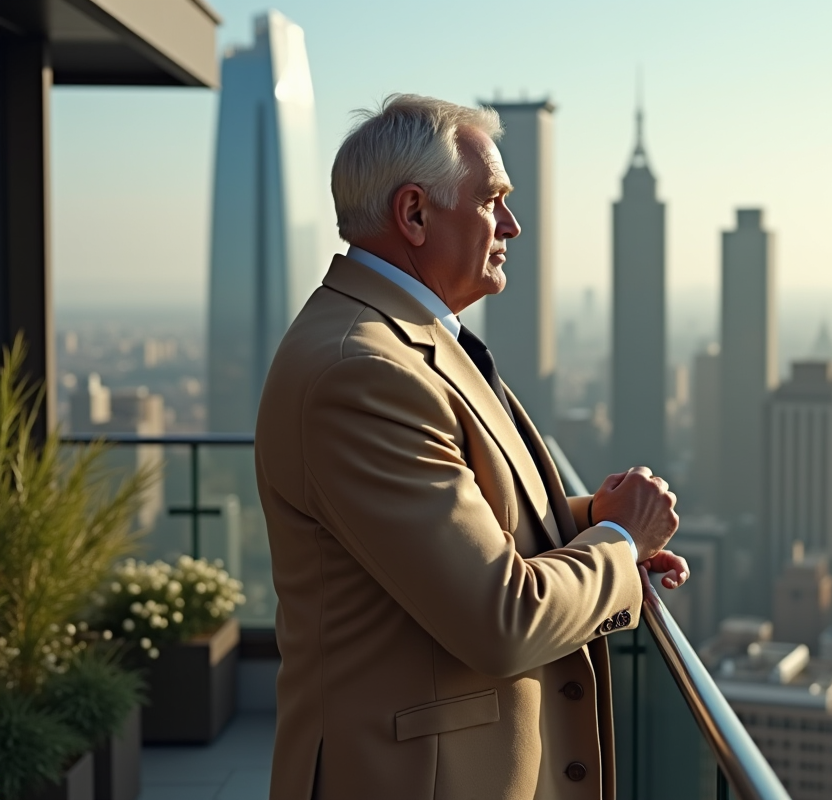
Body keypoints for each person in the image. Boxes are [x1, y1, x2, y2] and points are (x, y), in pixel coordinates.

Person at [255, 94, 686, 800]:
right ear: (415, 214)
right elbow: (500, 620)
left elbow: (454, 522)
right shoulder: (362, 371)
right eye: (491, 201)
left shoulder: (403, 340)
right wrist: (620, 542)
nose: (512, 225)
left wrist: (585, 520)